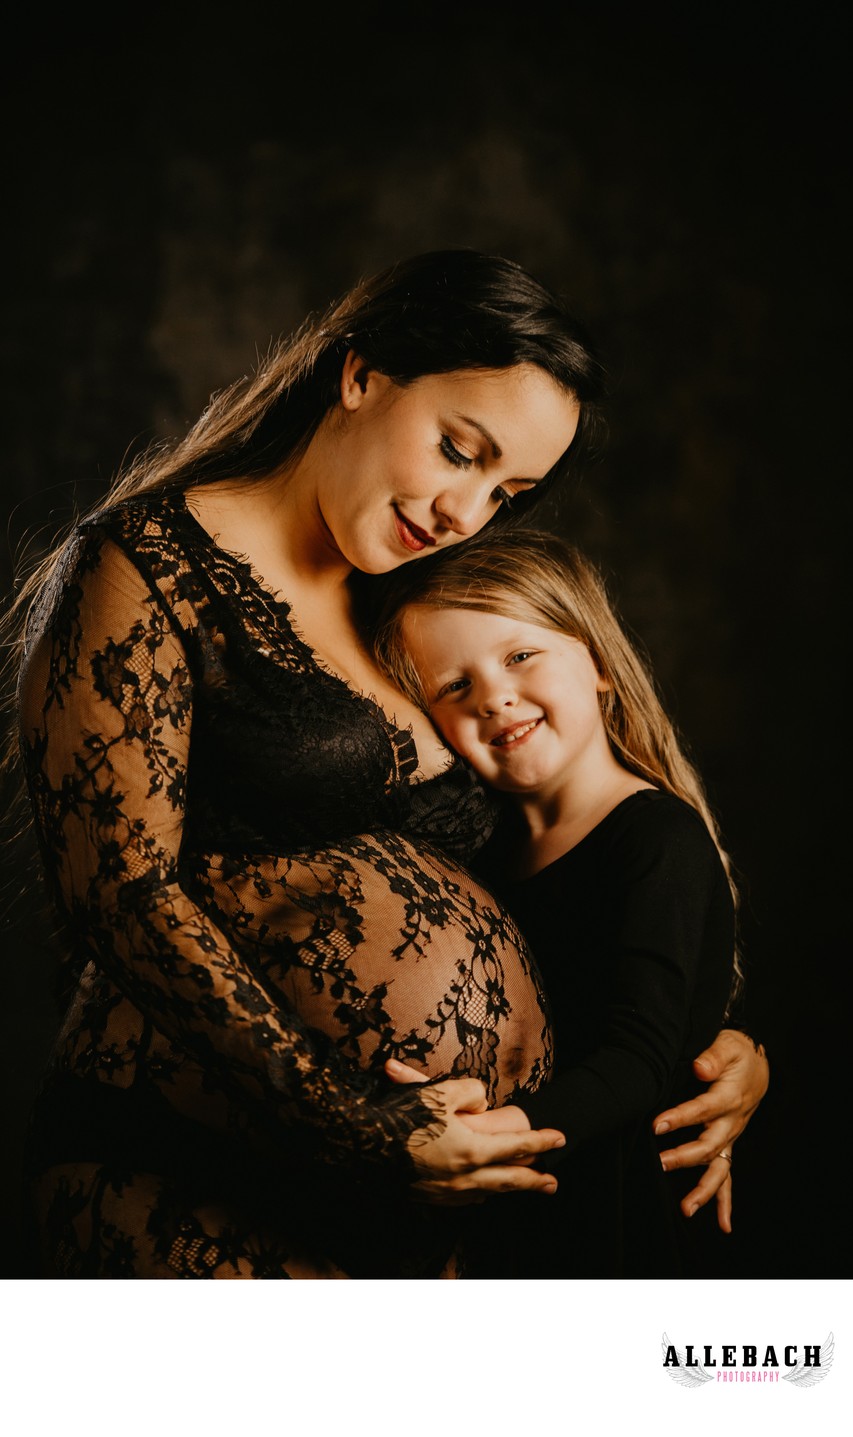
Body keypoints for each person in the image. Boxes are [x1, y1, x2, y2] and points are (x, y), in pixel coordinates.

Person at [3, 249, 767, 1280]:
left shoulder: (414, 597)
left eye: (509, 490)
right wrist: (365, 1131)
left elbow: (547, 864)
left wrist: (711, 1042)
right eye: (459, 449)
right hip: (195, 1168)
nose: (466, 511)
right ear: (360, 375)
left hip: (424, 1208)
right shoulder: (146, 567)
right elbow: (123, 895)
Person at [373, 527, 760, 1276]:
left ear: (599, 663)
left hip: (621, 1213)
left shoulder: (655, 838)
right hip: (522, 1207)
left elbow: (638, 1059)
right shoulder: (484, 854)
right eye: (455, 686)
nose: (495, 695)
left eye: (519, 655)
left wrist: (489, 1135)